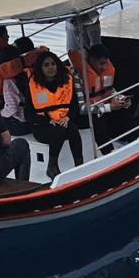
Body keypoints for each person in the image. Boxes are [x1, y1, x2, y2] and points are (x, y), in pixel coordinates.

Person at [26, 50, 85, 181]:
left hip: (63, 120)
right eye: (46, 65)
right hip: (41, 126)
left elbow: (74, 106)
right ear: (40, 68)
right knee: (58, 131)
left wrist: (67, 117)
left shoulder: (65, 82)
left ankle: (80, 166)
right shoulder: (33, 86)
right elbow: (28, 115)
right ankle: (52, 166)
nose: (50, 67)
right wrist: (48, 121)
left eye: (53, 64)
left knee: (73, 129)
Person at [70, 40, 131, 144]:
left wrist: (120, 98)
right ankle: (106, 151)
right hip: (82, 116)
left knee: (122, 110)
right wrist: (109, 107)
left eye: (106, 63)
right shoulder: (77, 76)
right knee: (95, 118)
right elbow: (82, 108)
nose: (105, 67)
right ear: (92, 60)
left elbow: (109, 90)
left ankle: (133, 139)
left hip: (100, 106)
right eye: (101, 63)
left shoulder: (105, 72)